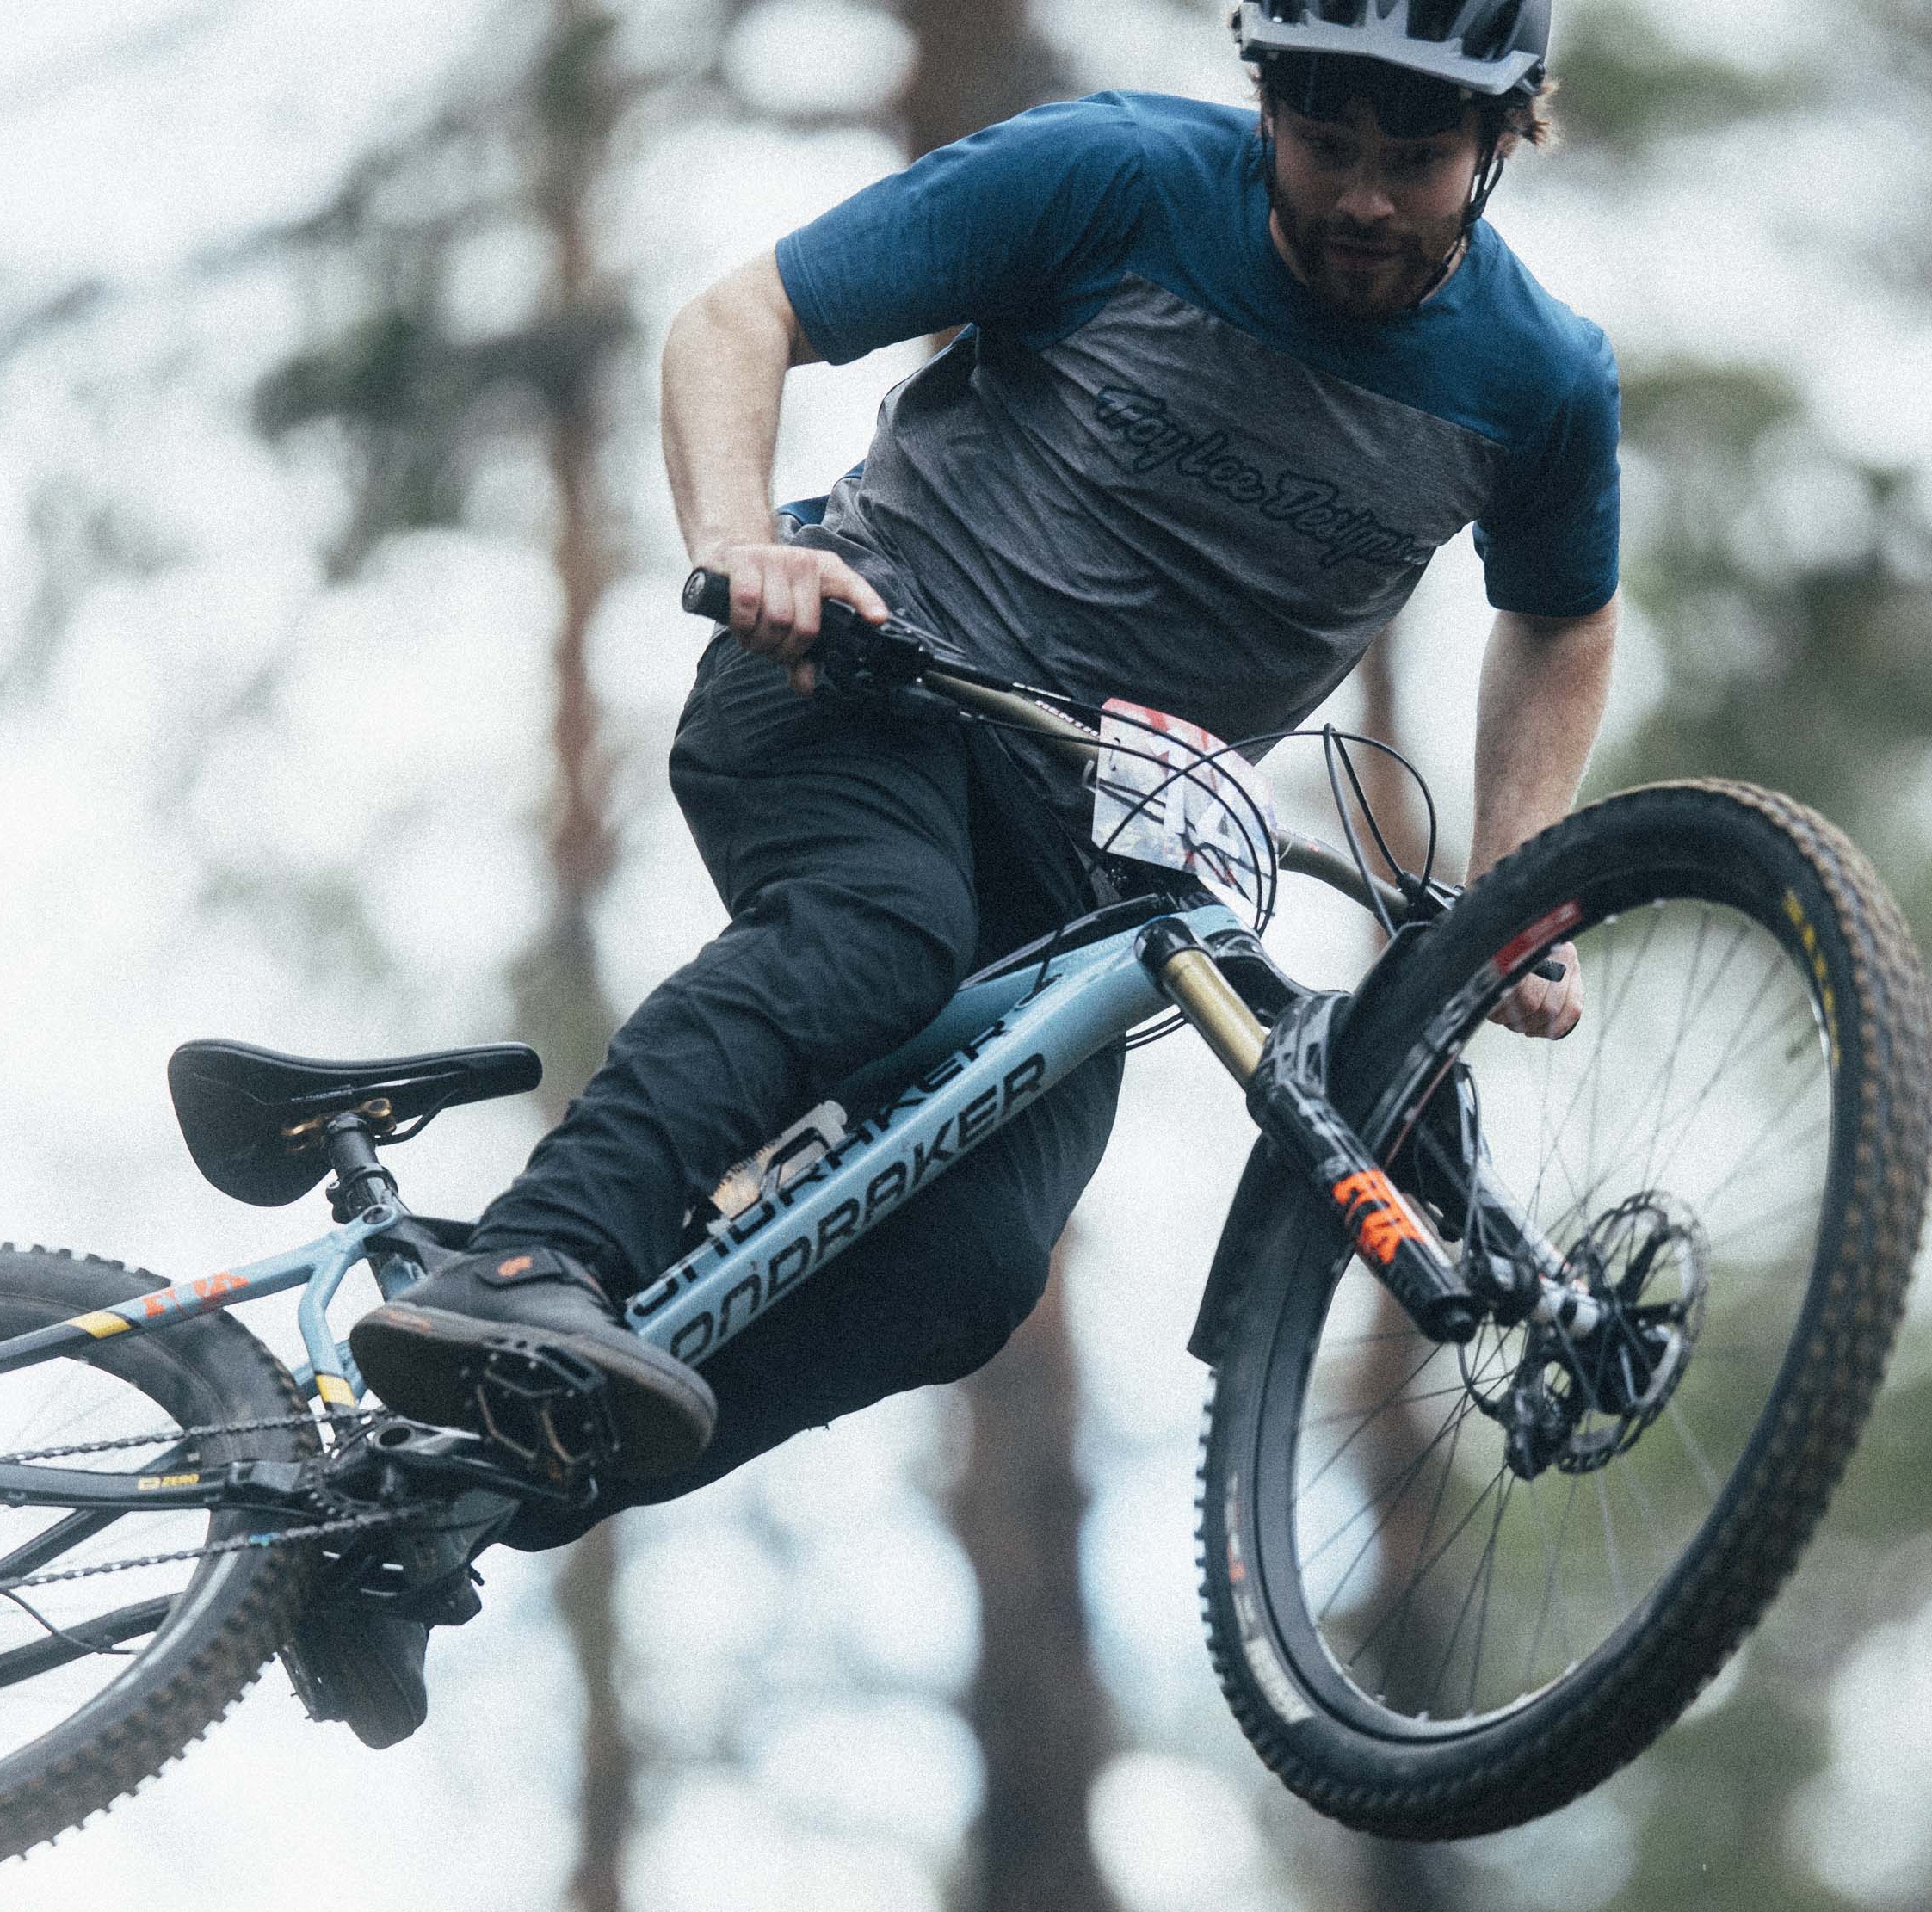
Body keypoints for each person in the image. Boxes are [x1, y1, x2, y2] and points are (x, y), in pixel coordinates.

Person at [296, 0, 1621, 1746]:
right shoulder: (1115, 180)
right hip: (867, 686)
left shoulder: (1537, 378)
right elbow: (739, 316)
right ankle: (533, 1257)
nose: (1364, 198)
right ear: (1266, 108)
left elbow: (1560, 614)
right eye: (1327, 145)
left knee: (966, 1272)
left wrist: (1513, 878)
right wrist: (742, 548)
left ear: (1503, 140)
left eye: (1416, 157)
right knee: (877, 933)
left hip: (1092, 866)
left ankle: (426, 1513)